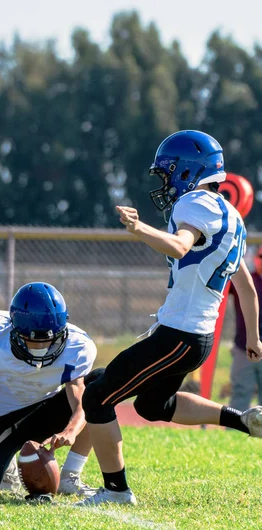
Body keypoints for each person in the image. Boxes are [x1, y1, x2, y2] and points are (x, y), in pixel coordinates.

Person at [76, 129, 262, 506]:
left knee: (97, 395)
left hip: (178, 334)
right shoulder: (231, 215)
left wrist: (138, 227)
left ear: (186, 171)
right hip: (195, 337)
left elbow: (179, 246)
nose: (164, 183)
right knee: (151, 405)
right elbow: (245, 288)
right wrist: (255, 338)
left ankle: (116, 491)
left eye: (166, 174)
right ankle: (242, 420)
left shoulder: (194, 204)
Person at [0, 281, 136, 503]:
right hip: (3, 417)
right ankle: (8, 461)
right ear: (13, 329)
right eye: (32, 341)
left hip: (46, 411)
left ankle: (70, 474)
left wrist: (71, 430)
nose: (40, 350)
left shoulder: (76, 346)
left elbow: (80, 400)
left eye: (48, 341)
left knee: (99, 386)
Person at [225, 245, 262, 410]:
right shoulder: (247, 279)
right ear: (255, 258)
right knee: (240, 391)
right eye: (261, 256)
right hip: (243, 346)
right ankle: (234, 431)